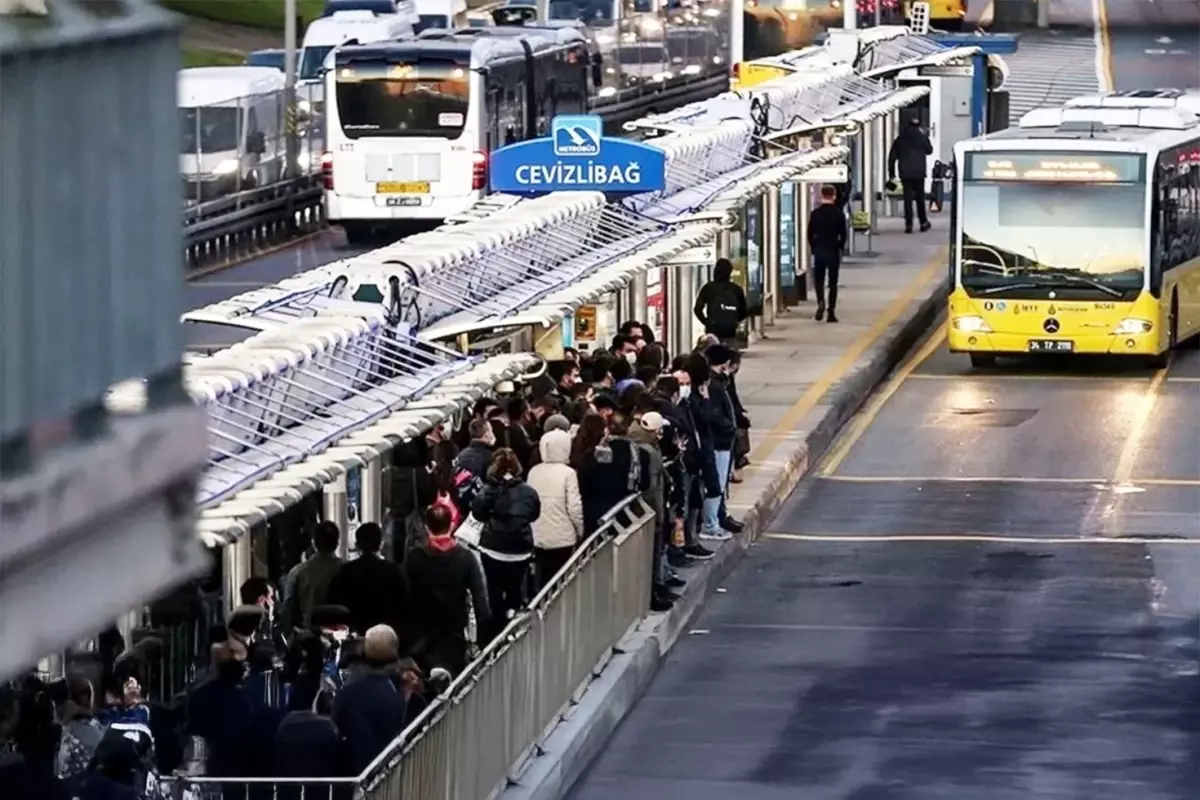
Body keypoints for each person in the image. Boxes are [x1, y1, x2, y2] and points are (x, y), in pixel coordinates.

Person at [404, 504, 491, 678]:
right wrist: (481, 642)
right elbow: (481, 604)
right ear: (451, 525)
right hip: (453, 637)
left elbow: (403, 595)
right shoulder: (466, 558)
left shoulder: (414, 558)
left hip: (421, 639)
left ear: (427, 527)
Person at [472, 448, 541, 645]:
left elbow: (477, 513)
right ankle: (513, 618)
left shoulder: (488, 490)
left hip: (492, 548)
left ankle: (496, 631)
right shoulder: (529, 492)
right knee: (515, 588)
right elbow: (534, 514)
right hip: (520, 549)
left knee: (493, 589)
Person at [333, 625, 409, 775]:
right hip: (390, 770)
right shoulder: (401, 687)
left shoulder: (349, 689)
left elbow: (337, 723)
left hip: (355, 772)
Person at [326, 523, 411, 647]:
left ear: (357, 545)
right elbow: (404, 608)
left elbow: (333, 606)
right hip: (386, 640)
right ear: (381, 544)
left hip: (353, 640)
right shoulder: (393, 571)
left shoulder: (344, 572)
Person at [526, 429, 585, 588]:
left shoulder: (534, 472)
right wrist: (580, 530)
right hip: (563, 536)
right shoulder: (568, 473)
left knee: (542, 575)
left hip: (537, 534)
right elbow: (574, 506)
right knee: (561, 577)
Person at [284, 521, 343, 631]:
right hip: (343, 632)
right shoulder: (348, 569)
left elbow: (288, 611)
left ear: (313, 543)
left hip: (308, 634)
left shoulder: (298, 572)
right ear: (337, 543)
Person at [807, 184, 849, 323]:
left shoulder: (815, 214)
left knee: (819, 280)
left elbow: (810, 233)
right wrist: (840, 247)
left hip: (819, 250)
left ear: (822, 195)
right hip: (833, 251)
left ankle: (820, 302)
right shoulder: (838, 213)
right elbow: (843, 234)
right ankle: (831, 312)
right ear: (834, 196)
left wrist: (814, 247)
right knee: (832, 283)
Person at [888, 115, 934, 234]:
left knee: (907, 199)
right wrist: (924, 136)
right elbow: (929, 150)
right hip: (919, 172)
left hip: (905, 173)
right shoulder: (922, 137)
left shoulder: (900, 139)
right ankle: (923, 222)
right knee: (920, 199)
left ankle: (909, 225)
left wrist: (891, 173)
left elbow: (892, 156)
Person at [693, 258, 747, 347]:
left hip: (712, 331)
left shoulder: (708, 288)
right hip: (730, 332)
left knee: (711, 352)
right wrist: (734, 321)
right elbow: (744, 312)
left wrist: (706, 322)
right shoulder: (736, 289)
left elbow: (697, 309)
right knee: (730, 351)